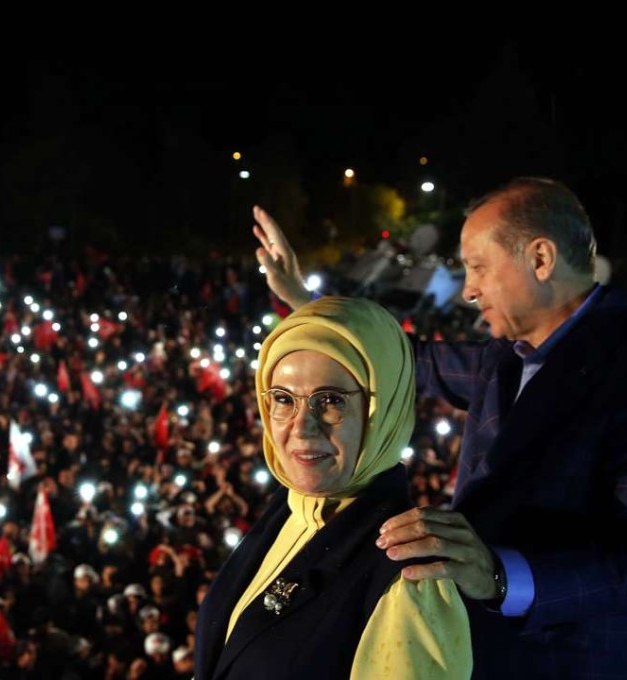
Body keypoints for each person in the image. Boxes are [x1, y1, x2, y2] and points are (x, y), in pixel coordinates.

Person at [252, 177, 627, 678]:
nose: (468, 290)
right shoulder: (507, 354)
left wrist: (501, 576)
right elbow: (404, 360)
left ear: (540, 258)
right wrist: (306, 301)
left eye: (477, 268)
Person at [194, 296, 471, 679]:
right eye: (282, 399)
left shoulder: (410, 577)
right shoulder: (289, 508)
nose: (302, 426)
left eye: (330, 401)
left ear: (382, 410)